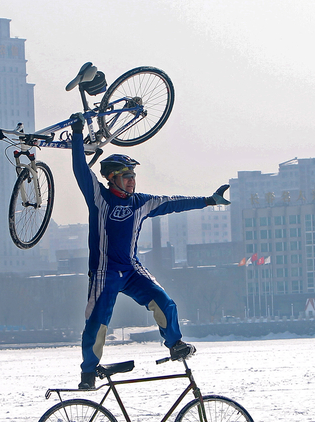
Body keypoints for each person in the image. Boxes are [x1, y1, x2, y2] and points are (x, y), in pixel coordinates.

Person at [70, 115, 230, 389]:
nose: (132, 182)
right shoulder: (99, 197)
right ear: (111, 178)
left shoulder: (141, 202)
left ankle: (175, 343)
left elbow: (174, 203)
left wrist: (207, 200)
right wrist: (76, 133)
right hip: (104, 273)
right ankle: (88, 373)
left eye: (133, 177)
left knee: (164, 301)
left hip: (131, 270)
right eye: (126, 176)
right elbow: (80, 169)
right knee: (97, 322)